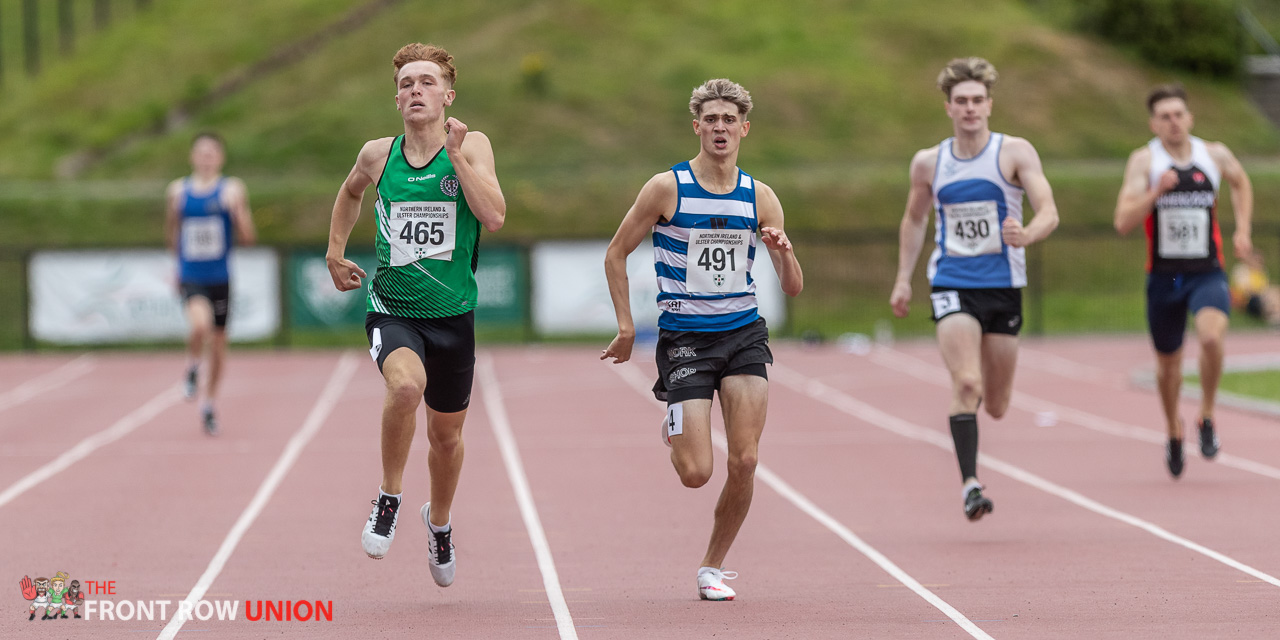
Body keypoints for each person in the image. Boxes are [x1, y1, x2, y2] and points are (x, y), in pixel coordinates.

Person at [601, 78, 803, 601]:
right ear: (697, 126)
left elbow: (794, 285)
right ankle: (674, 425)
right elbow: (616, 253)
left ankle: (712, 566)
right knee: (696, 472)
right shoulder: (666, 188)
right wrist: (627, 326)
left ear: (744, 129)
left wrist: (781, 249)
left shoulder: (759, 196)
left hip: (743, 336)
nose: (720, 127)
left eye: (728, 120)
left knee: (746, 461)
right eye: (710, 119)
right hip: (686, 339)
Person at [325, 43, 505, 588]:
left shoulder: (472, 146)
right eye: (406, 83)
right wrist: (335, 250)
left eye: (426, 82)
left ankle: (440, 522)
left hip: (454, 315)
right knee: (405, 388)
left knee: (446, 439)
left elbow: (494, 215)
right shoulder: (378, 155)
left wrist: (454, 157)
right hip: (392, 308)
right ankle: (389, 496)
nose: (414, 91)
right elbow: (350, 193)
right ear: (396, 98)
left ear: (448, 96)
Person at [889, 58, 1059, 520]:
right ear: (948, 107)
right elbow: (915, 218)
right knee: (966, 382)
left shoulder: (1014, 153)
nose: (969, 109)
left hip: (1003, 288)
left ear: (989, 105)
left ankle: (975, 405)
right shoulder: (930, 162)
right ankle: (970, 484)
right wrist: (904, 278)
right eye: (961, 101)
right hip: (952, 284)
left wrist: (1029, 232)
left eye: (977, 101)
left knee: (998, 404)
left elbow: (1048, 210)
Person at [1114, 84, 1254, 478]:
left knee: (1211, 337)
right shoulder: (1145, 162)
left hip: (1206, 271)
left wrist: (1242, 229)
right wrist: (1155, 193)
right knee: (1168, 365)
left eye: (1179, 114)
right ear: (1153, 123)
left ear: (1189, 118)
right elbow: (1122, 221)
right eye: (1164, 116)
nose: (1173, 122)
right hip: (1163, 278)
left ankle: (1206, 416)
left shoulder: (1214, 154)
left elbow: (1241, 182)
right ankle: (1173, 429)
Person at [165, 132, 256, 436]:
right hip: (192, 277)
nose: (206, 159)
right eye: (201, 153)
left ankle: (209, 403)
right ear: (192, 157)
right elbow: (173, 232)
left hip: (220, 278)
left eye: (211, 153)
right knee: (199, 327)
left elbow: (248, 238)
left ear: (220, 157)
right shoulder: (178, 191)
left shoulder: (231, 189)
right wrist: (175, 267)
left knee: (218, 346)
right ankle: (192, 366)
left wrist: (237, 213)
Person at [1230, 254, 1280, 326]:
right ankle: (1272, 316)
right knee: (1268, 297)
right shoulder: (1242, 271)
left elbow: (1265, 286)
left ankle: (1275, 314)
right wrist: (1261, 292)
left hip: (1260, 296)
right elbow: (1245, 289)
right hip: (1246, 300)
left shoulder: (1261, 272)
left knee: (1274, 292)